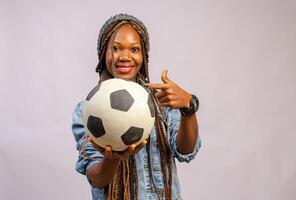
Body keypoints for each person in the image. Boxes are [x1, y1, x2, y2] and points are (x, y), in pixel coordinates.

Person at [72, 13, 201, 200]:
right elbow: (96, 178)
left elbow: (185, 151)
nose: (125, 57)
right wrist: (112, 159)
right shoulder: (88, 109)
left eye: (134, 49)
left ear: (143, 55)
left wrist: (189, 108)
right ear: (103, 53)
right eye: (116, 48)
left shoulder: (161, 100)